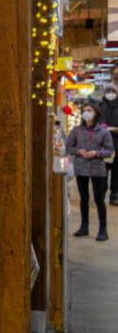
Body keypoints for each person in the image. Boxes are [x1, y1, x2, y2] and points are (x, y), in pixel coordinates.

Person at [66, 103, 114, 241]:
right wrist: (78, 151)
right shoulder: (77, 130)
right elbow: (69, 147)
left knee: (99, 199)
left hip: (97, 169)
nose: (86, 113)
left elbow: (109, 151)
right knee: (84, 199)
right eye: (84, 110)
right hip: (81, 168)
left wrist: (96, 153)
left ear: (96, 113)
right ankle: (84, 227)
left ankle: (103, 229)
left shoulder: (104, 132)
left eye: (89, 110)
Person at [100, 83, 118, 205]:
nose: (111, 93)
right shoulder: (99, 107)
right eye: (108, 91)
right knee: (102, 172)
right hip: (103, 145)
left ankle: (114, 195)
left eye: (113, 91)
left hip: (117, 144)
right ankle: (101, 195)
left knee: (117, 172)